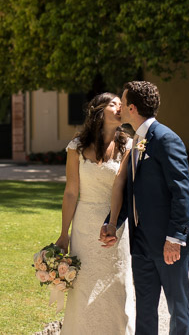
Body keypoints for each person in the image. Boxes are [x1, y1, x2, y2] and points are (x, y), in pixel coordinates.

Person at [101, 81, 189, 335]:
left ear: (132, 108)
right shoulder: (137, 141)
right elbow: (134, 194)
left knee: (177, 308)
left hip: (169, 243)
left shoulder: (166, 139)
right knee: (144, 310)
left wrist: (175, 237)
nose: (119, 108)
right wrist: (112, 223)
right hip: (141, 243)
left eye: (122, 103)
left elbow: (182, 192)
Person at [55, 93, 135, 334]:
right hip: (84, 227)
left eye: (122, 104)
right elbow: (71, 192)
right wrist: (64, 234)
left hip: (115, 224)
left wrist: (113, 222)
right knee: (83, 286)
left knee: (116, 284)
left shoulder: (128, 145)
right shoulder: (76, 146)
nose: (121, 108)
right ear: (99, 111)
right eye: (114, 104)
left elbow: (124, 188)